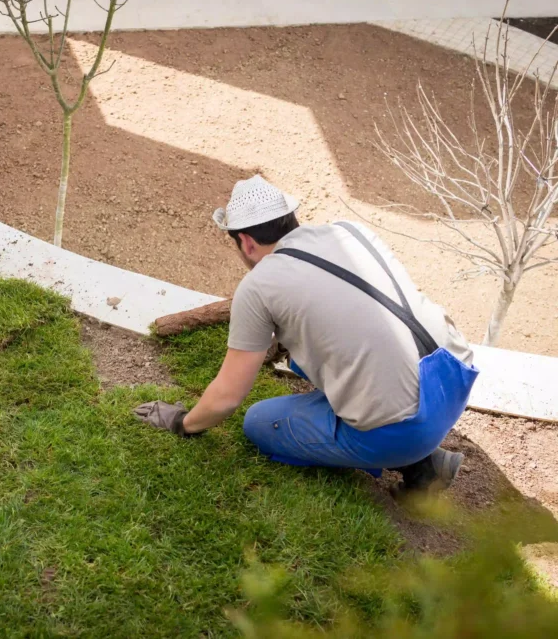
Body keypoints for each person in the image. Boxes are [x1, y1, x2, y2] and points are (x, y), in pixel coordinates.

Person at [134, 175, 479, 495]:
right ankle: (421, 452)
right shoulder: (350, 232)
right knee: (303, 360)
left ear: (246, 241)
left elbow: (227, 398)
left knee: (259, 422)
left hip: (404, 430)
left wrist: (183, 422)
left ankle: (419, 465)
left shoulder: (258, 285)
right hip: (454, 379)